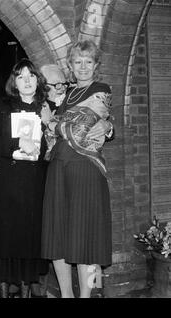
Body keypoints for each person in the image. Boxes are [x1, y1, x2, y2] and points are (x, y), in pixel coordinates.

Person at [41, 39, 114, 298]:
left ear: (96, 65)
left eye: (88, 62)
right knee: (58, 236)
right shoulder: (69, 94)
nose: (83, 67)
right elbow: (66, 125)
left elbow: (79, 130)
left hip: (85, 168)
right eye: (77, 62)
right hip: (59, 168)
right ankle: (66, 295)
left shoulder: (100, 89)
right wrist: (56, 122)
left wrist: (52, 123)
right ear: (71, 66)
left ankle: (86, 295)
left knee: (87, 237)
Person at [0, 59, 51, 298]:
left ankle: (26, 291)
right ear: (14, 82)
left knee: (29, 238)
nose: (27, 80)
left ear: (38, 80)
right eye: (21, 76)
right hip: (6, 183)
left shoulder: (46, 107)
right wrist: (16, 143)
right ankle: (2, 291)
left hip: (35, 184)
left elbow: (55, 147)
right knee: (5, 237)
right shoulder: (2, 106)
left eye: (31, 75)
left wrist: (49, 124)